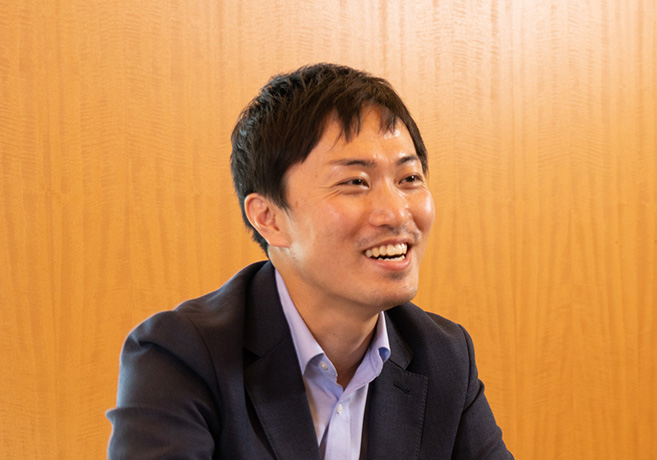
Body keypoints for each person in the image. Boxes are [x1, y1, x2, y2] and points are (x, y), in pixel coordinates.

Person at [107, 63, 513, 459]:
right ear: (269, 218)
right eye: (355, 182)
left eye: (409, 179)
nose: (396, 213)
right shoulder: (181, 356)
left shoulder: (442, 356)